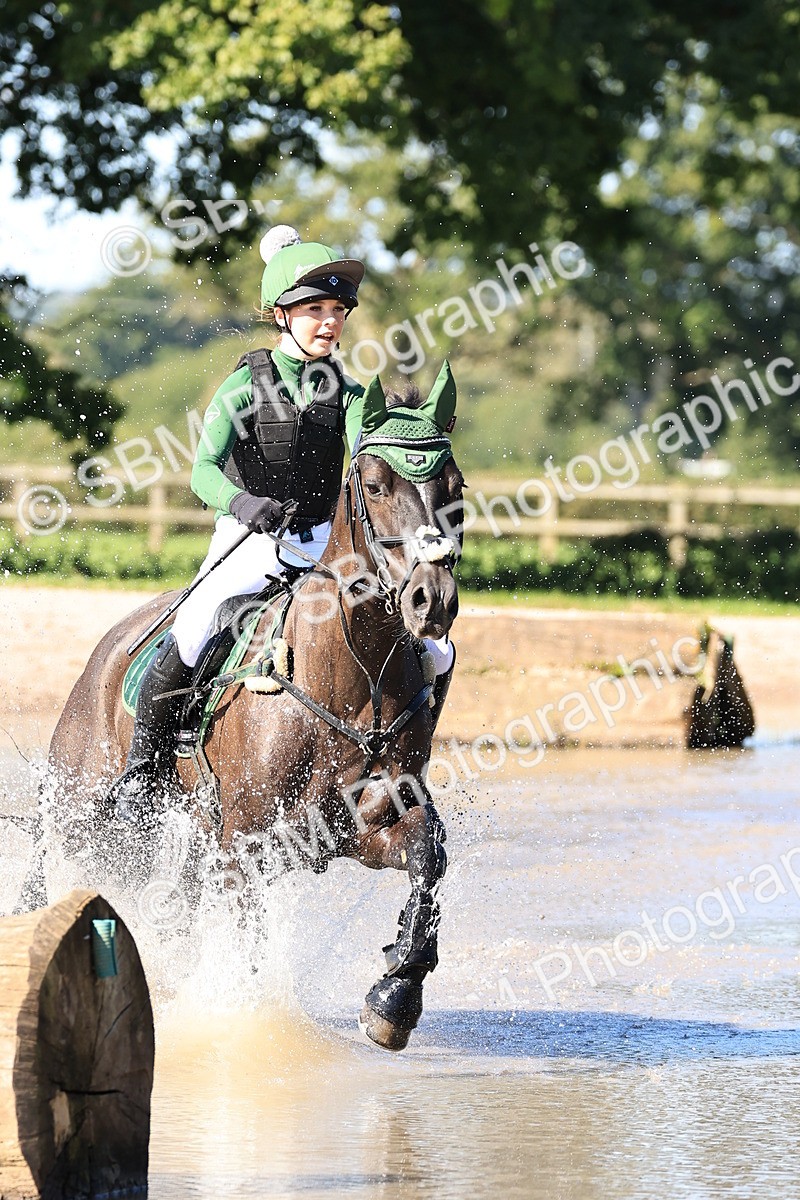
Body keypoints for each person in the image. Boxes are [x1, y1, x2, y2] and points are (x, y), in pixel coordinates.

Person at [108, 227, 455, 821]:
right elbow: (202, 470)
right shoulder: (244, 386)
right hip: (249, 543)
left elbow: (376, 453)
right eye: (315, 310)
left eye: (337, 311)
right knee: (193, 630)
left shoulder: (350, 396)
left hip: (325, 548)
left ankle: (407, 758)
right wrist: (243, 503)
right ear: (282, 315)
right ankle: (146, 770)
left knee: (437, 651)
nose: (329, 322)